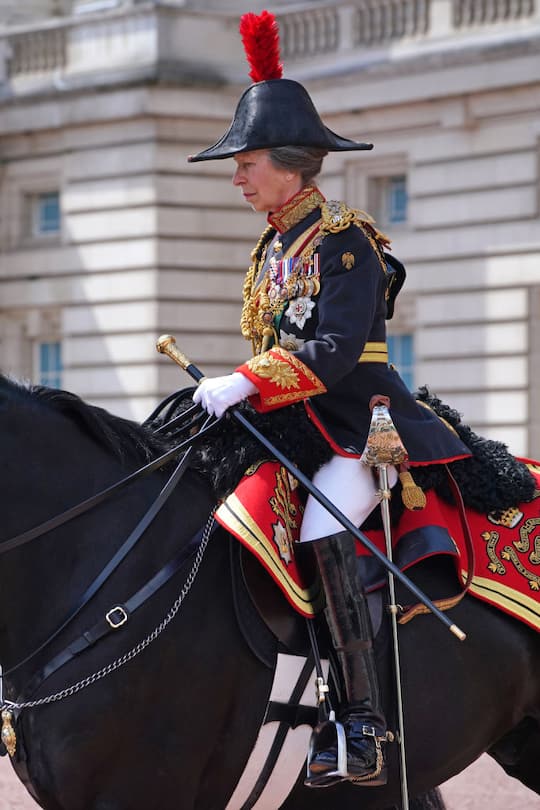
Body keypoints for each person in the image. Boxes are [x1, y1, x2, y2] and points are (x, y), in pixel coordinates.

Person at [188, 10, 473, 787]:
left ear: (290, 165)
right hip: (289, 424)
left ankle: (359, 721)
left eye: (246, 163)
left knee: (322, 524)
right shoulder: (272, 247)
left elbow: (337, 352)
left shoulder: (346, 240)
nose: (238, 177)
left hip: (358, 426)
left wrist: (245, 380)